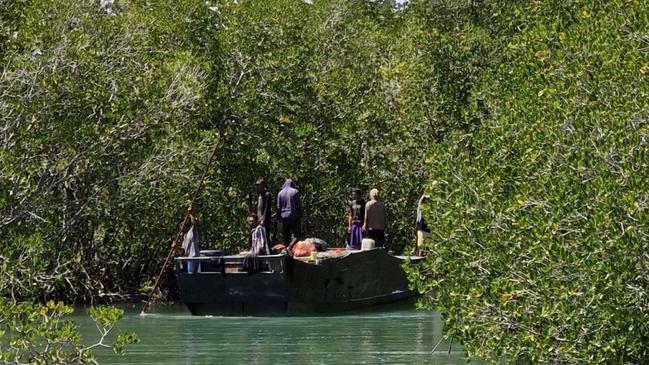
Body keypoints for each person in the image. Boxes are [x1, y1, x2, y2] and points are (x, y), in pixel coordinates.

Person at [277, 178, 301, 243]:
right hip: (294, 216)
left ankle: (287, 249)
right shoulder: (295, 192)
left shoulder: (280, 193)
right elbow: (298, 205)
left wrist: (279, 218)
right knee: (297, 234)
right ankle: (290, 248)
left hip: (284, 217)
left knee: (286, 235)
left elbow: (278, 207)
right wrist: (300, 216)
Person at [181, 207, 200, 273]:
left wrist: (190, 214)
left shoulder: (191, 231)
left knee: (192, 275)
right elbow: (183, 249)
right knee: (190, 275)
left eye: (182, 226)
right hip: (188, 258)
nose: (181, 228)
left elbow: (194, 223)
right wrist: (175, 247)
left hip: (193, 256)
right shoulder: (184, 236)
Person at [255, 178, 272, 244]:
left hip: (264, 219)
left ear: (263, 185)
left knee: (265, 234)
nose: (257, 187)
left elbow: (266, 208)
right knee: (260, 235)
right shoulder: (260, 195)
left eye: (259, 185)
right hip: (259, 218)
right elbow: (259, 208)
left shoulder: (267, 194)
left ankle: (268, 251)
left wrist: (263, 219)